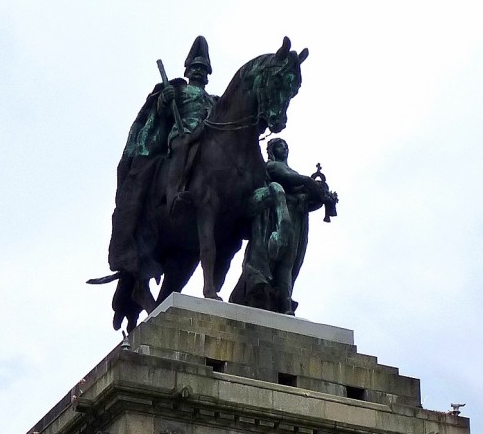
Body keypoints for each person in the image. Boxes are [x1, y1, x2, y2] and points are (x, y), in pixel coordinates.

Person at [107, 36, 219, 280]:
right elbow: (160, 110)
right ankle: (174, 192)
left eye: (203, 69)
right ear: (188, 71)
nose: (199, 72)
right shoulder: (179, 90)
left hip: (207, 137)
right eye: (196, 68)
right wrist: (165, 100)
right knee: (181, 147)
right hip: (182, 131)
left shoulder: (213, 99)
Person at [229, 139, 338, 313]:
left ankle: (285, 302)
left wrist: (322, 196)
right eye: (280, 146)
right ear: (272, 150)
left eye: (286, 146)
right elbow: (289, 178)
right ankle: (258, 293)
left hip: (295, 221)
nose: (284, 148)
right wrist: (310, 184)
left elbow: (307, 198)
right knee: (266, 260)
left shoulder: (292, 173)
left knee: (288, 264)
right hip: (272, 221)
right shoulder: (271, 166)